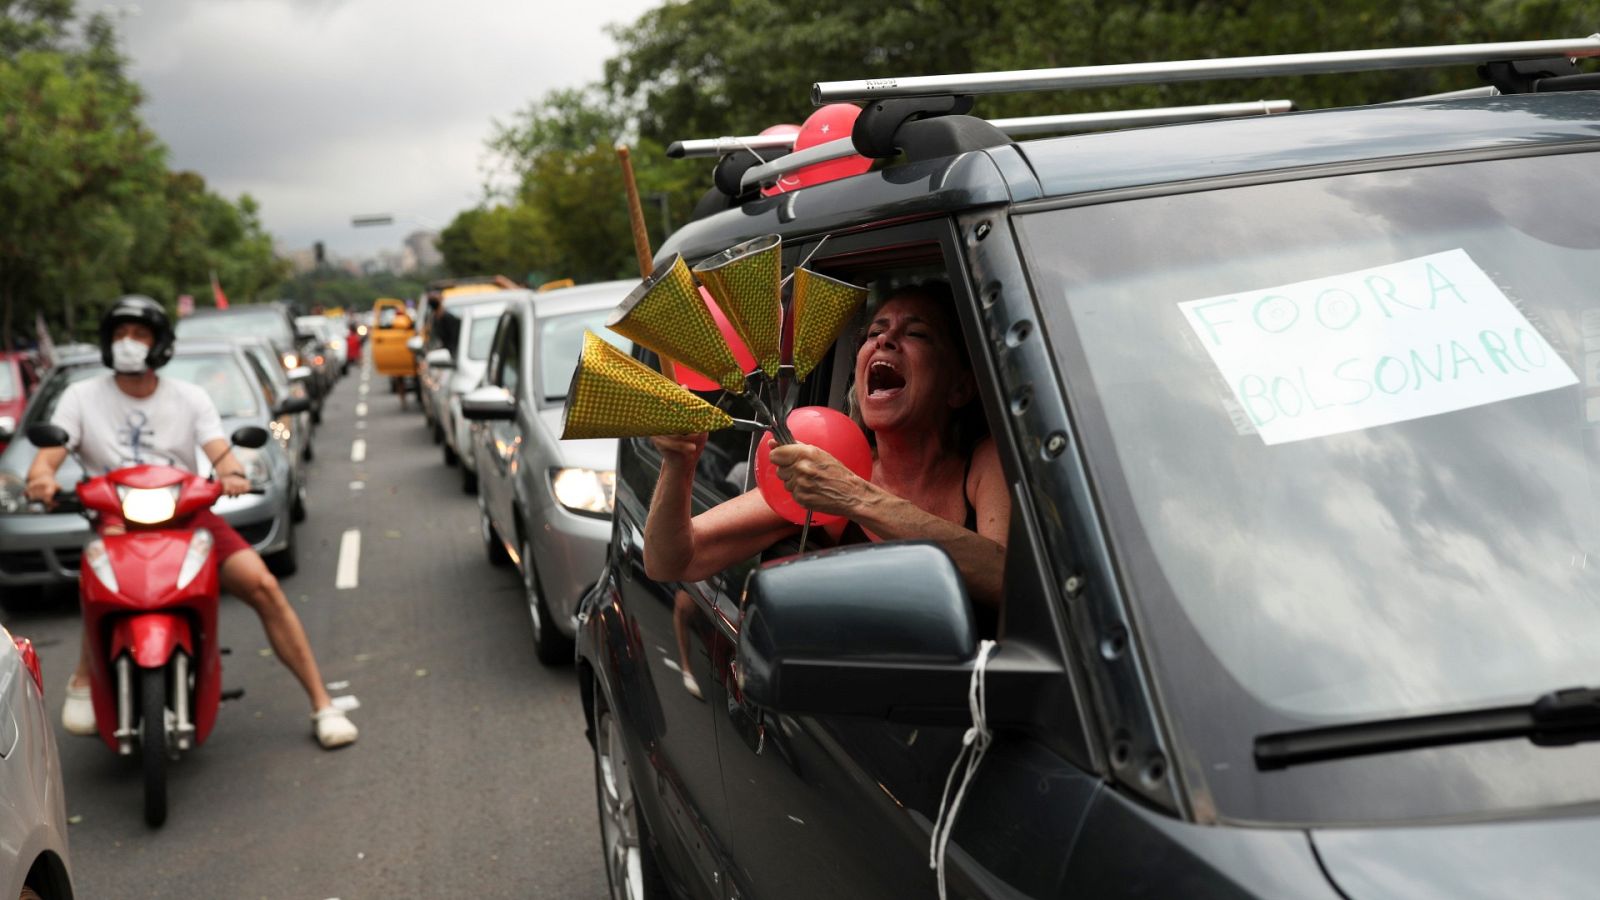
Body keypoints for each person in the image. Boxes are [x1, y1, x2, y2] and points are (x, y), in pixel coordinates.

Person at [24, 296, 358, 749]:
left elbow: (220, 452)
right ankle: (84, 676)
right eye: (120, 334)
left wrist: (233, 474)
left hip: (187, 517)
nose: (128, 343)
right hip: (117, 521)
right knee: (98, 581)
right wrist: (41, 480)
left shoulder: (189, 396)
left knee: (263, 585)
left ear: (160, 343)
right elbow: (46, 460)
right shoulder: (80, 397)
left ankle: (323, 703)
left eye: (139, 334)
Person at [644, 282, 1010, 610]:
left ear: (960, 387)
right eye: (875, 332)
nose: (884, 340)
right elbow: (672, 561)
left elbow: (1007, 580)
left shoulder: (985, 462)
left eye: (917, 333)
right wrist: (679, 465)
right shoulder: (827, 459)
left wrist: (854, 496)